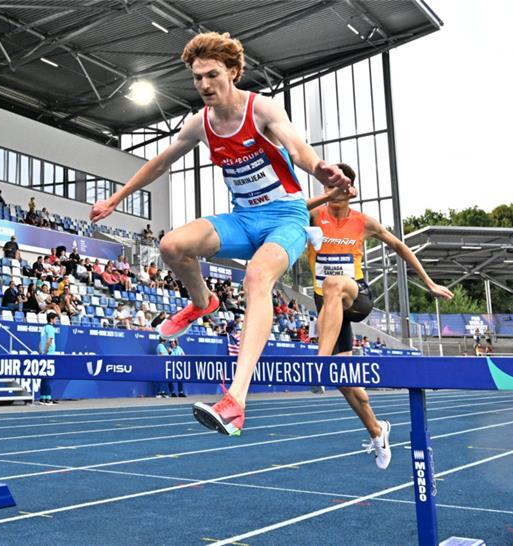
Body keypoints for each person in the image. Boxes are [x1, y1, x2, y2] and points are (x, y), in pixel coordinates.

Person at [89, 32, 349, 436]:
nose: (205, 85)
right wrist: (117, 198)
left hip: (286, 219)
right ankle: (202, 302)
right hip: (242, 220)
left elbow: (299, 150)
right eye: (197, 78)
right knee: (172, 244)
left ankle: (236, 401)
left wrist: (321, 169)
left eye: (212, 75)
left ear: (232, 72)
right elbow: (160, 162)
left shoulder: (261, 109)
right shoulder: (199, 124)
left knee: (257, 278)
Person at [304, 163, 453, 469]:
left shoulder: (363, 222)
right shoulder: (312, 215)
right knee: (344, 379)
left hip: (355, 296)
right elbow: (288, 210)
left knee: (333, 284)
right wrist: (326, 196)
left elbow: (399, 245)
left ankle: (318, 364)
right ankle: (377, 430)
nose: (329, 191)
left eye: (336, 186)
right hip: (328, 306)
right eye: (325, 186)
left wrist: (429, 282)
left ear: (349, 190)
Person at [38, 312, 59, 405]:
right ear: (51, 319)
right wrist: (46, 351)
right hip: (49, 354)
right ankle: (48, 398)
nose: (56, 320)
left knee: (44, 377)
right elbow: (49, 340)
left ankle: (44, 397)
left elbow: (40, 342)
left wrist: (41, 352)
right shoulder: (50, 328)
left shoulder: (44, 328)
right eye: (55, 319)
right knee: (48, 377)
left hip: (44, 354)